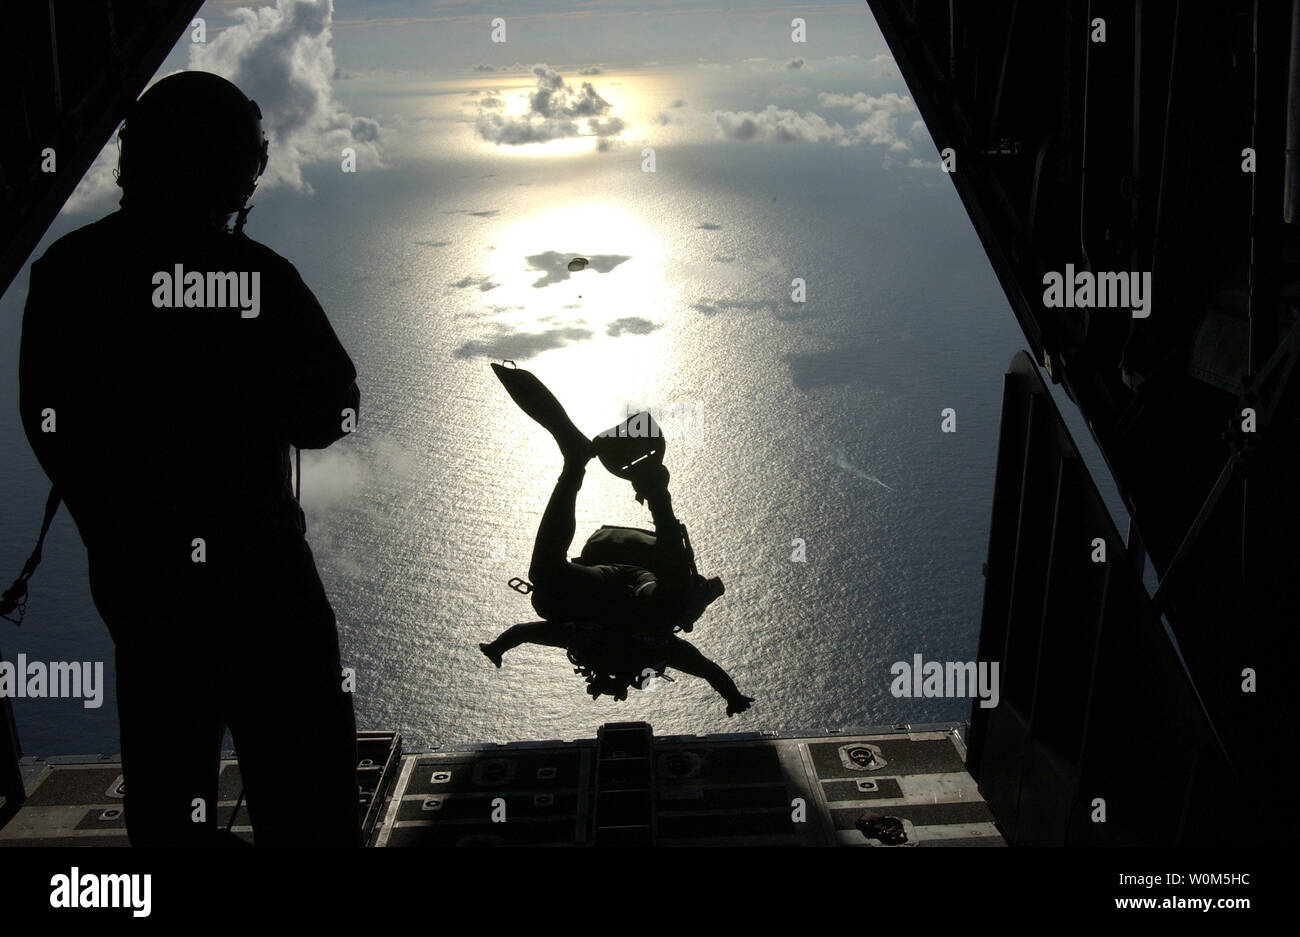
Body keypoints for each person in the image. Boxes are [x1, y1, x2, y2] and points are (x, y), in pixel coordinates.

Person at [18, 72, 361, 845]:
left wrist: (124, 522)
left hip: (143, 590)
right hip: (264, 585)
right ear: (231, 168)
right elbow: (332, 412)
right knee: (308, 804)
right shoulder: (257, 279)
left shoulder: (66, 275)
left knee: (169, 797)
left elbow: (51, 429)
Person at [480, 367, 753, 715]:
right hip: (640, 580)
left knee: (546, 577)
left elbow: (521, 633)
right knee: (668, 601)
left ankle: (575, 460)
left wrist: (498, 648)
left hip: (606, 580)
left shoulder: (579, 634)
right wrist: (732, 697)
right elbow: (710, 672)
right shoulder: (660, 645)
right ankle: (656, 492)